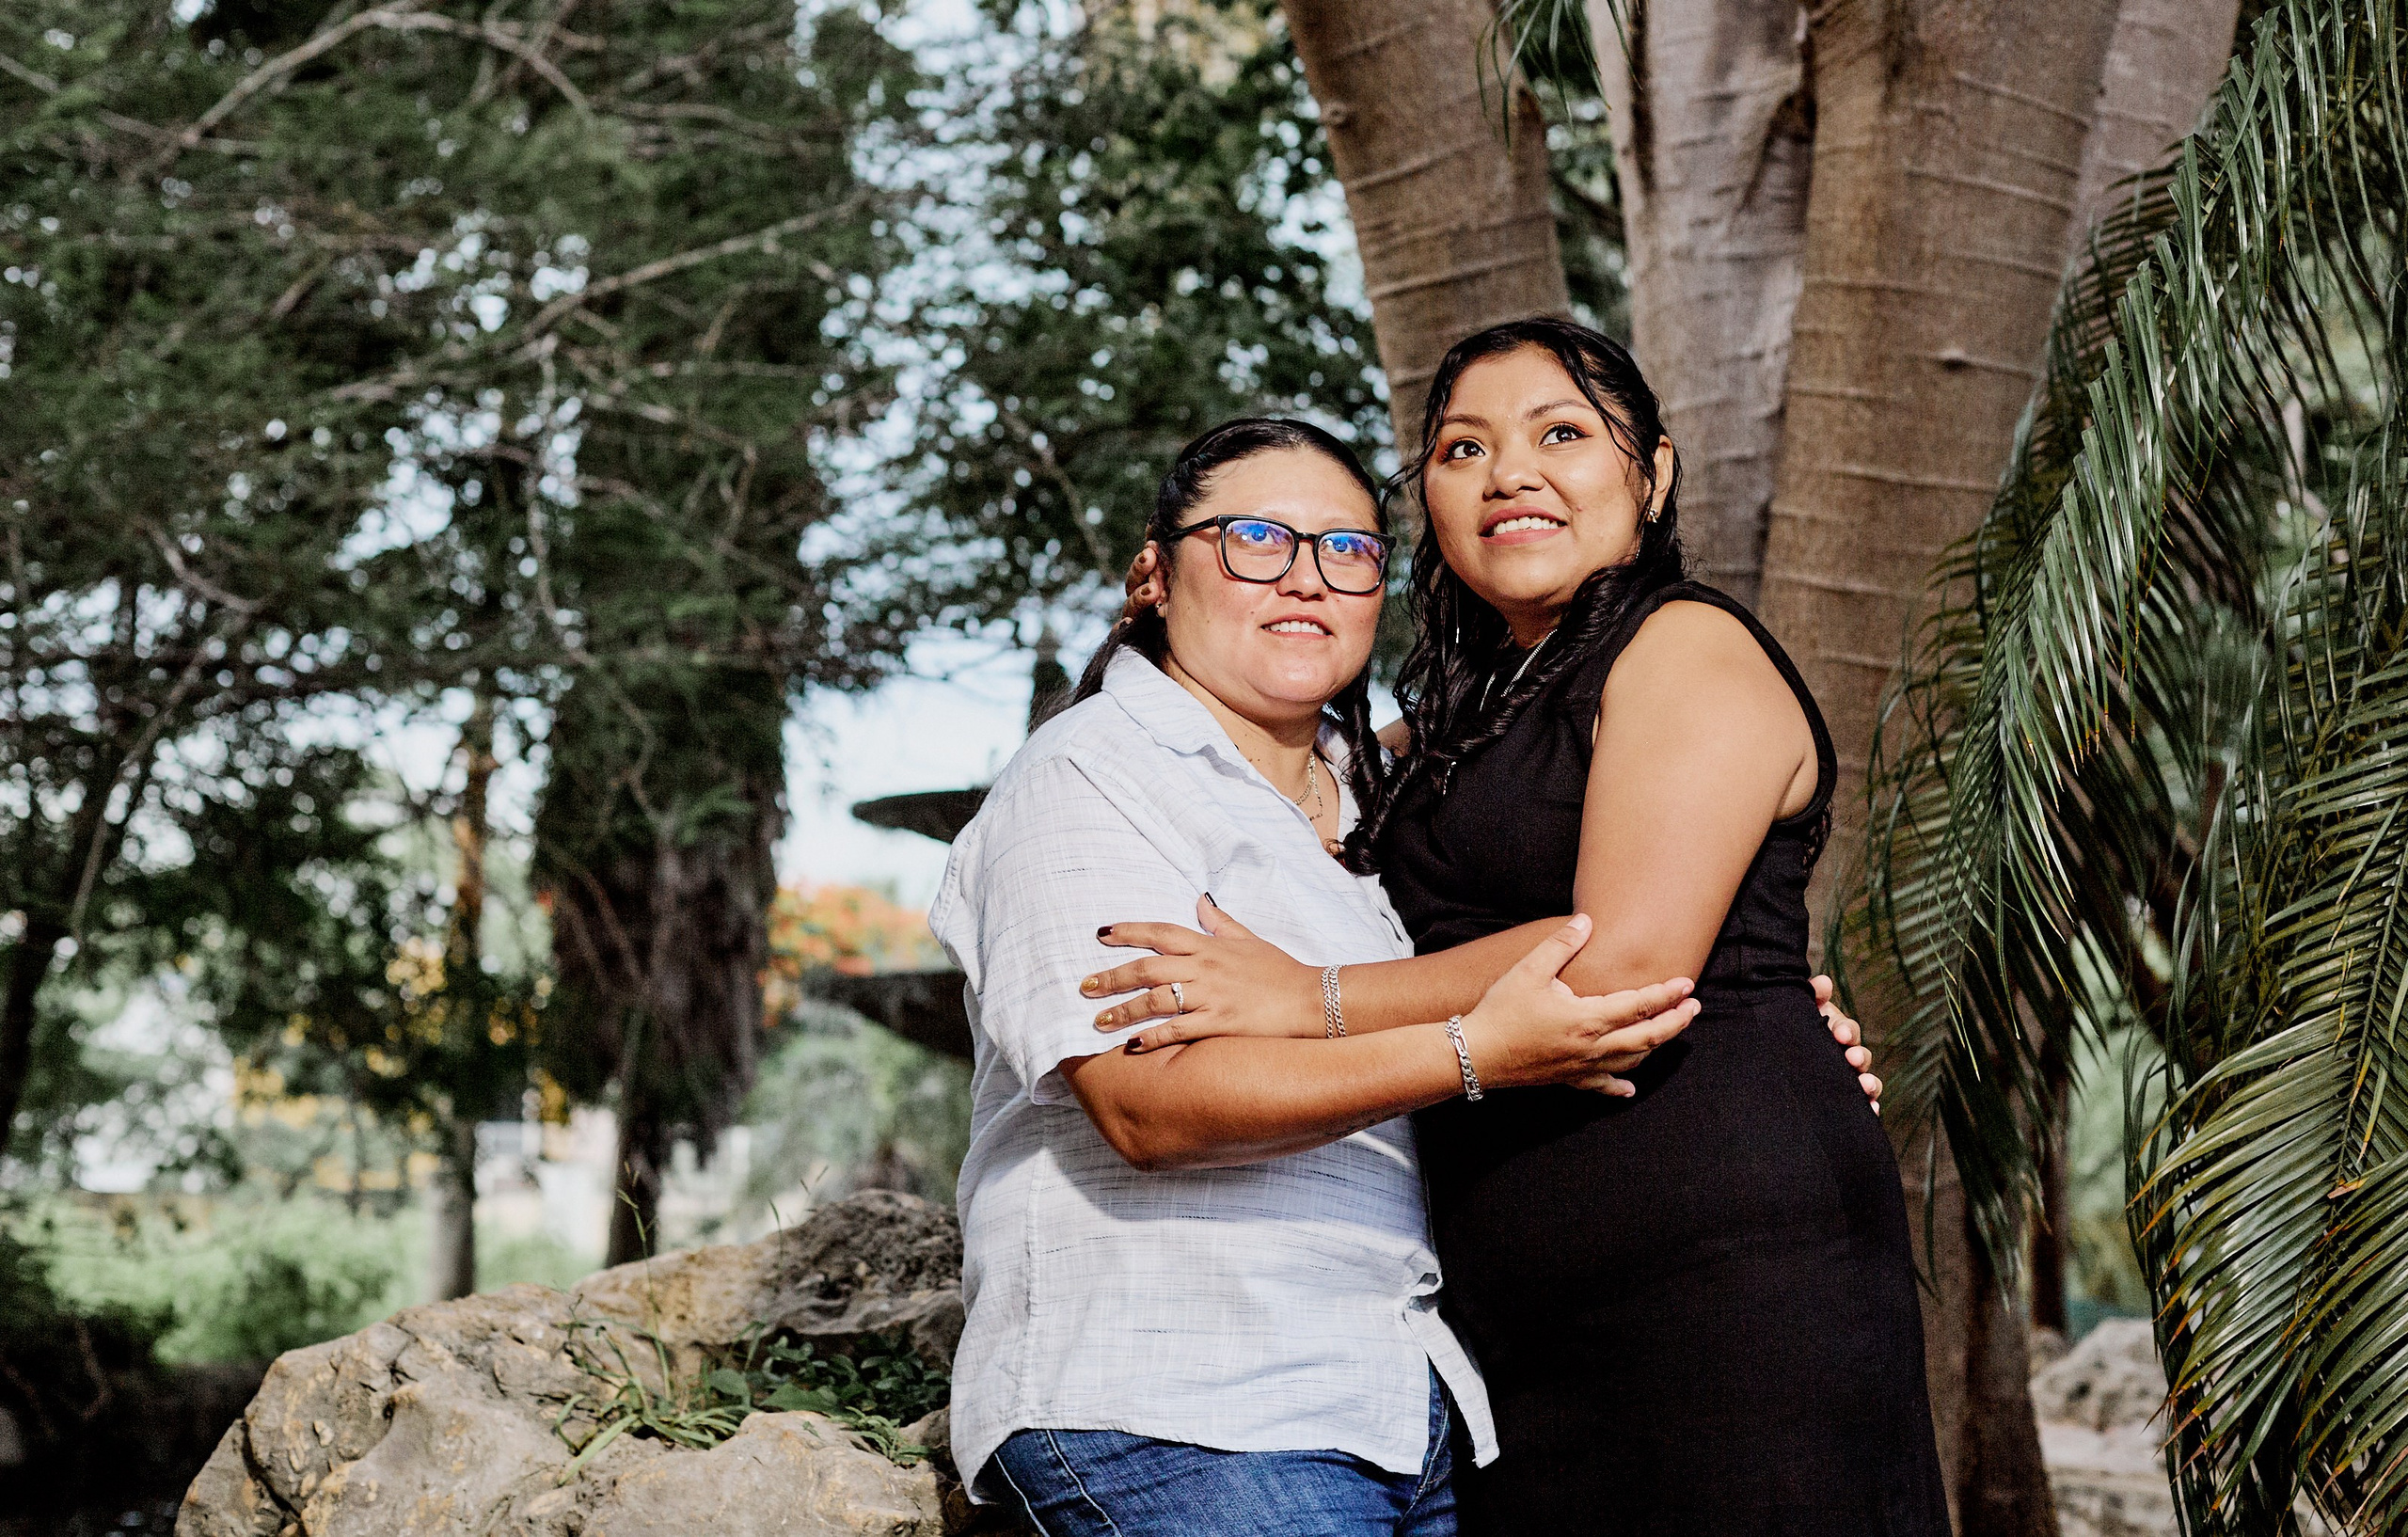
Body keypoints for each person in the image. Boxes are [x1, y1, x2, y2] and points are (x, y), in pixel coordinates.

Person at [1081, 319, 1949, 1534]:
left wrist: (1307, 1000)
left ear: (1651, 474)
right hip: (1503, 1328)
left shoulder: (1687, 647)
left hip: (1729, 1281)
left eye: (1562, 434)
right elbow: (1258, 804)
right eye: (1462, 448)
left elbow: (1619, 967)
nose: (1510, 474)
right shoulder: (1442, 729)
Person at [928, 418, 1707, 1537]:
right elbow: (1146, 1104)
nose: (1306, 578)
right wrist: (1471, 1053)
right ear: (1152, 572)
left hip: (1403, 1408)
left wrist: (1763, 1011)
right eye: (1255, 538)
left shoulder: (1381, 803)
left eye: (1347, 549)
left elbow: (1596, 924)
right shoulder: (1090, 777)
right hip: (1184, 1406)